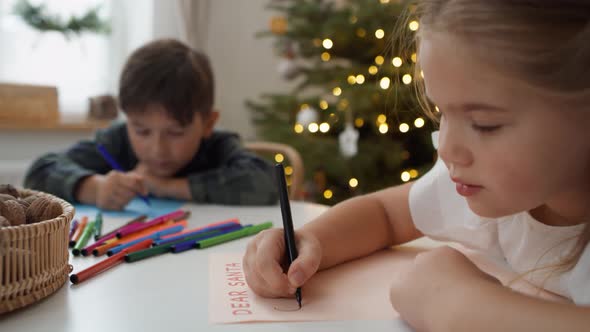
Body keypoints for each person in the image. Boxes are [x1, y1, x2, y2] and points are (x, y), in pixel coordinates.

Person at [242, 1, 590, 330]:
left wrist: (457, 306)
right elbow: (386, 215)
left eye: (485, 124)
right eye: (441, 112)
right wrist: (309, 242)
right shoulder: (494, 183)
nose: (449, 148)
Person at [24, 39, 278, 210]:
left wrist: (167, 187)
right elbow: (39, 172)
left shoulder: (218, 145)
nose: (157, 149)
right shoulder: (117, 140)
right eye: (142, 130)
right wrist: (93, 188)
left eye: (176, 132)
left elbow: (268, 183)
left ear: (208, 124)